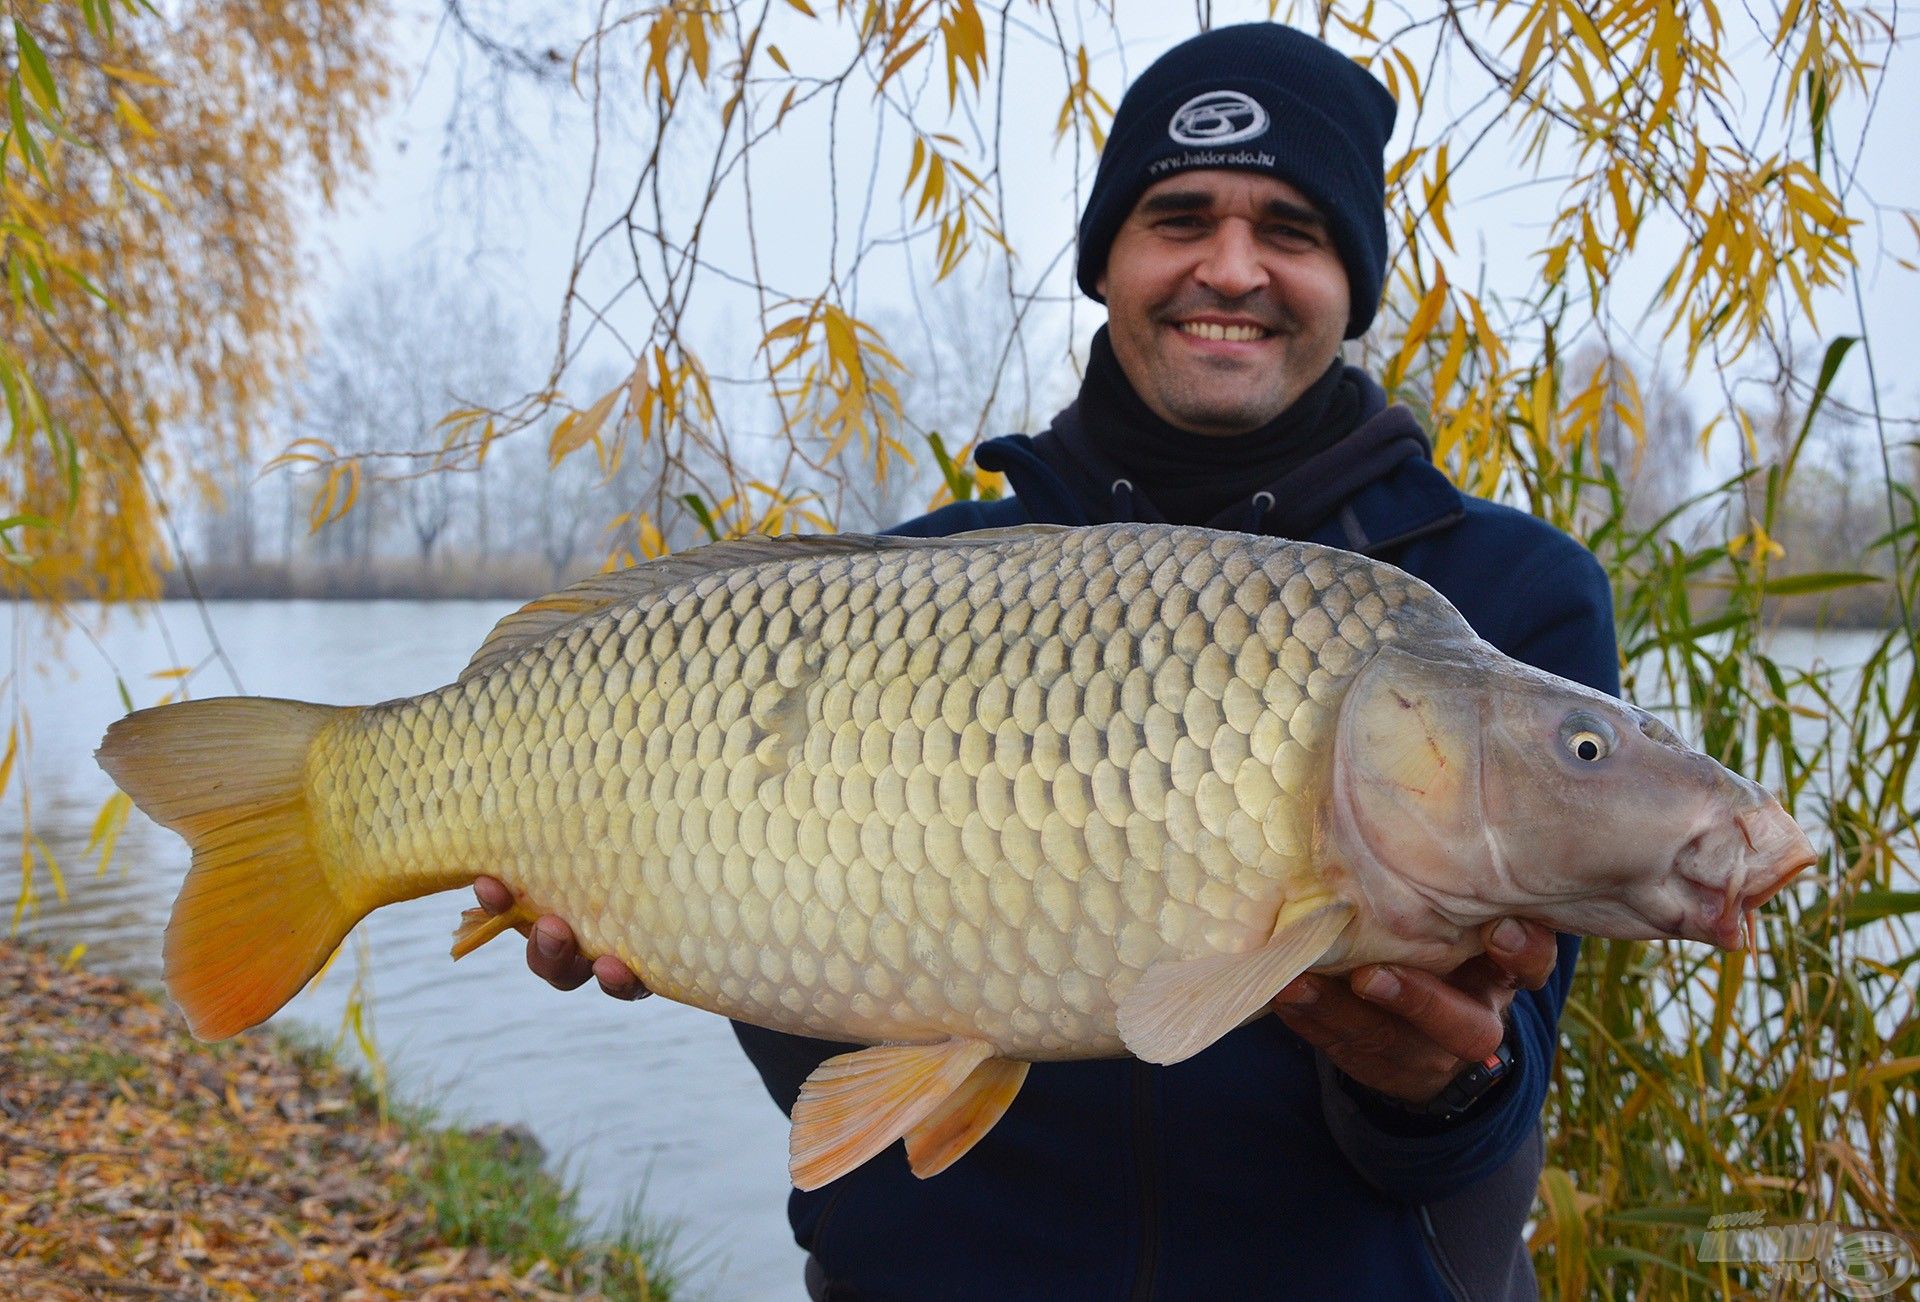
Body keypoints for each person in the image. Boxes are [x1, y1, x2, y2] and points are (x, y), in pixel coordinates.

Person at [475, 21, 1617, 1300]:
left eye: (1291, 228)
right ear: (1109, 262)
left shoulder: (1507, 610)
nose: (1231, 267)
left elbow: (1492, 1112)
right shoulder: (910, 590)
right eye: (1179, 216)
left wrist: (1436, 1080)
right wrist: (666, 914)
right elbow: (826, 1045)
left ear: (1352, 278)